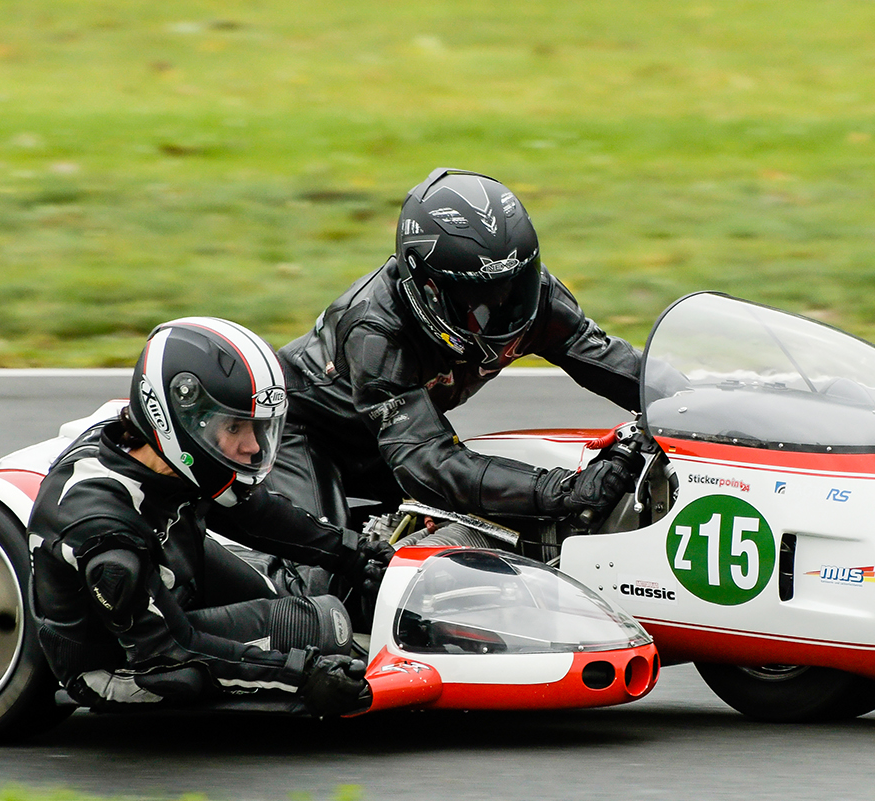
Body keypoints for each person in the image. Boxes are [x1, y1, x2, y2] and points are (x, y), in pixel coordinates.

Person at [27, 316, 390, 716]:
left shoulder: (167, 452)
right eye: (236, 427)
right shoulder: (104, 533)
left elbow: (252, 513)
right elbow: (168, 647)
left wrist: (354, 553)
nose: (253, 445)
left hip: (170, 576)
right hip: (120, 660)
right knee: (319, 632)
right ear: (179, 417)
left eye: (257, 427)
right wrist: (303, 676)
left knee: (296, 599)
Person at [270, 167, 644, 533]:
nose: (502, 309)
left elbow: (611, 361)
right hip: (303, 434)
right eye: (476, 299)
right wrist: (560, 489)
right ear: (425, 289)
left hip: (393, 441)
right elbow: (424, 459)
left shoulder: (537, 301)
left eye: (514, 286)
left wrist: (688, 404)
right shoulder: (377, 332)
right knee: (326, 564)